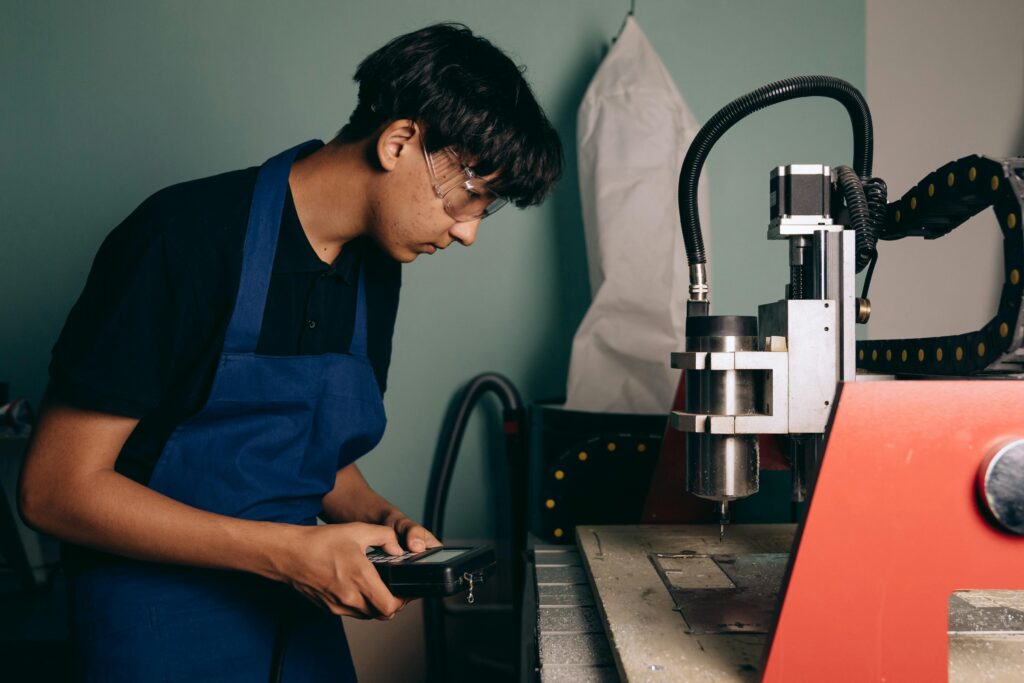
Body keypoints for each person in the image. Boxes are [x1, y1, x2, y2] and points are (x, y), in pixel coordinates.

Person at [18, 22, 562, 682]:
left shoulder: (375, 272)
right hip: (155, 625)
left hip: (296, 622)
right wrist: (289, 551)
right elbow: (55, 490)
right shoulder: (183, 239)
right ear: (398, 142)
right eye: (471, 194)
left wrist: (380, 520)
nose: (469, 230)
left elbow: (307, 455)